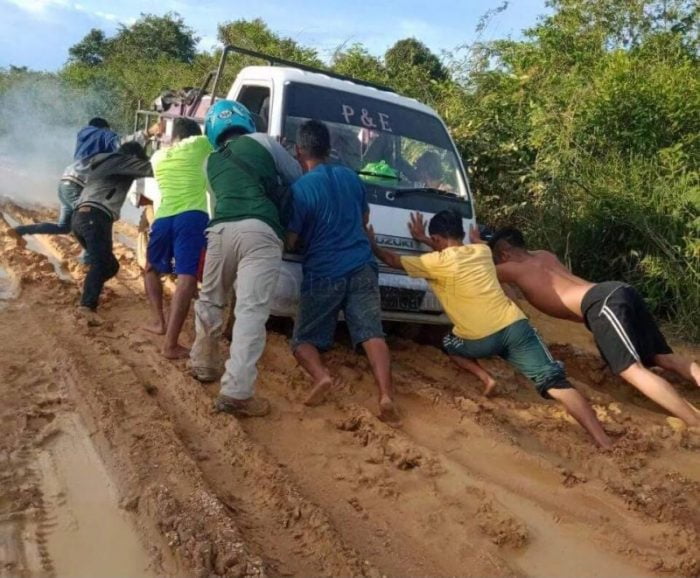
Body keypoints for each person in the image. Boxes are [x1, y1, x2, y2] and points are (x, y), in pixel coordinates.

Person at [370, 210, 612, 448]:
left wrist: (373, 242)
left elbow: (392, 260)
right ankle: (603, 441)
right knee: (557, 384)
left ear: (436, 240)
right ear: (461, 233)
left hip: (478, 340)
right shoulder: (482, 251)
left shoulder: (433, 263)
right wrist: (429, 239)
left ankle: (485, 377)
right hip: (515, 328)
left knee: (449, 343)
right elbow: (453, 250)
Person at [487, 227, 700, 427]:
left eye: (498, 258)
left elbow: (477, 266)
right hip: (617, 290)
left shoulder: (512, 269)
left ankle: (694, 422)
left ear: (504, 253)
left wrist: (477, 243)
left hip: (601, 304)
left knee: (631, 370)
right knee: (662, 357)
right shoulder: (544, 255)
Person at [189, 100, 302, 418]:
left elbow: (216, 202)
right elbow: (296, 178)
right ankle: (237, 392)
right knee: (251, 311)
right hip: (261, 231)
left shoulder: (210, 162)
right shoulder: (265, 141)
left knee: (211, 300)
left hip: (220, 231)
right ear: (245, 120)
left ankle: (203, 364)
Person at [286, 120, 399, 422]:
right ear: (328, 149)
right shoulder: (351, 177)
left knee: (303, 341)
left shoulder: (300, 189)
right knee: (372, 333)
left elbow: (292, 238)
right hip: (362, 265)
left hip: (324, 270)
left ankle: (321, 376)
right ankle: (386, 394)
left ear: (299, 151)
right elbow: (364, 219)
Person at [13, 118, 160, 247]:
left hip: (66, 182)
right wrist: (148, 132)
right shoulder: (100, 133)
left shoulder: (84, 137)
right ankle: (89, 260)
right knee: (92, 220)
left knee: (64, 227)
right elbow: (121, 143)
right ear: (105, 128)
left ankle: (21, 231)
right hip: (77, 184)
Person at [142, 118, 212, 359]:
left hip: (163, 218)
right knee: (187, 278)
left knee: (151, 268)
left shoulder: (158, 157)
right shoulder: (201, 144)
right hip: (191, 216)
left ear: (174, 136)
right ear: (194, 133)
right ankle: (171, 345)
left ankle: (158, 321)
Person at [71, 142, 153, 312]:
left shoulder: (105, 162)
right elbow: (152, 169)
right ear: (132, 157)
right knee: (101, 263)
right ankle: (86, 306)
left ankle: (89, 289)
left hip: (80, 218)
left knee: (110, 265)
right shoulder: (121, 161)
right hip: (95, 217)